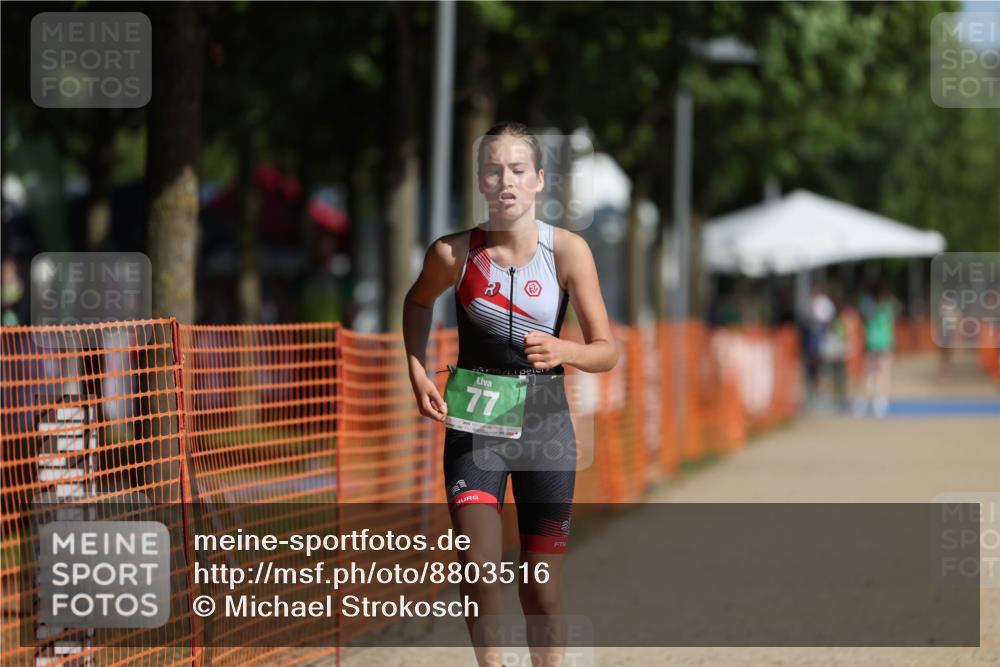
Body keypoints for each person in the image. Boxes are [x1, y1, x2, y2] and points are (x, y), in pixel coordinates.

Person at [403, 122, 618, 667]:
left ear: (539, 179)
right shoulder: (453, 255)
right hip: (477, 422)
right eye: (495, 170)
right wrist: (417, 369)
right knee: (478, 566)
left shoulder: (568, 252)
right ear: (480, 180)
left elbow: (606, 349)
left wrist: (565, 352)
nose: (507, 181)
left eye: (519, 170)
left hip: (546, 426)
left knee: (541, 589)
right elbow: (417, 303)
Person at [855, 286, 897, 418]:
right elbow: (890, 326)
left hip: (873, 343)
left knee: (870, 374)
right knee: (881, 373)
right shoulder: (885, 308)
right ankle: (878, 402)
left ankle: (864, 402)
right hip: (882, 344)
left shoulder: (868, 306)